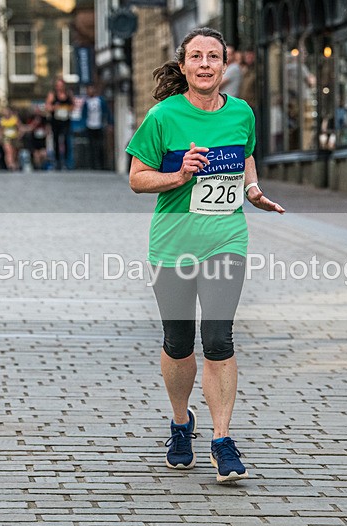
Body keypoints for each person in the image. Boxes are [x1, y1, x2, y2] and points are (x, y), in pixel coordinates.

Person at [126, 27, 284, 484]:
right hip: (173, 244)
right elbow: (137, 178)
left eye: (213, 56)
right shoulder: (163, 116)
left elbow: (246, 156)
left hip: (225, 239)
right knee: (178, 343)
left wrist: (252, 190)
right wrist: (177, 176)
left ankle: (221, 439)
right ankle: (181, 424)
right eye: (196, 56)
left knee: (218, 338)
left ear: (224, 65)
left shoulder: (241, 113)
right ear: (183, 67)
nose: (205, 64)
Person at [80, 84, 113, 170]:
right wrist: (83, 125)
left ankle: (101, 164)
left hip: (99, 125)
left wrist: (110, 123)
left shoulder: (100, 100)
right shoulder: (86, 102)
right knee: (91, 146)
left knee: (100, 146)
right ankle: (92, 164)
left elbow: (107, 112)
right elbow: (83, 114)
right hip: (89, 125)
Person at [45, 78, 74, 170]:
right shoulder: (52, 94)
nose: (59, 87)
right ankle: (57, 161)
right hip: (56, 120)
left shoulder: (68, 94)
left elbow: (73, 105)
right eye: (58, 85)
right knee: (56, 140)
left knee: (66, 139)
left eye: (61, 85)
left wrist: (67, 108)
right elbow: (48, 107)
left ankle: (66, 161)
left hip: (65, 120)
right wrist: (55, 107)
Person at [0, 106, 21, 171]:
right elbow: (0, 130)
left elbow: (19, 128)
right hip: (6, 137)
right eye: (4, 112)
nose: (6, 113)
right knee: (8, 151)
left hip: (14, 137)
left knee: (14, 152)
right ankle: (10, 165)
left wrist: (19, 135)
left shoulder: (14, 119)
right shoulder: (2, 120)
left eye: (7, 111)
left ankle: (15, 163)